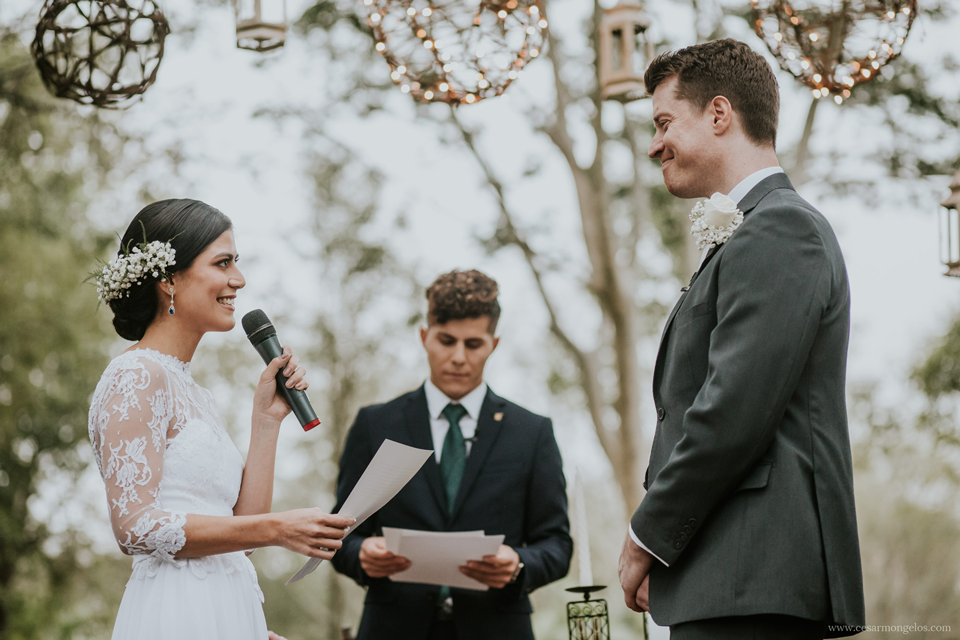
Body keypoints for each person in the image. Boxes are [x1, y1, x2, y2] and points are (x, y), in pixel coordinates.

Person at [617, 40, 865, 639]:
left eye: (664, 122)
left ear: (720, 115)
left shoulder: (782, 227)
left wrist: (648, 533)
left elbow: (732, 409)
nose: (654, 144)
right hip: (726, 579)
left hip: (757, 581)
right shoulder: (757, 230)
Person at [87, 199, 354, 639]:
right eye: (223, 263)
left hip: (228, 609)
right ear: (169, 280)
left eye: (237, 262)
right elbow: (134, 526)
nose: (239, 279)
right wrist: (277, 528)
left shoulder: (195, 394)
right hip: (176, 613)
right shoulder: (135, 376)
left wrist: (266, 422)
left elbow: (241, 539)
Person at [330, 270, 572, 640]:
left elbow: (557, 544)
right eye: (446, 341)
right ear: (425, 337)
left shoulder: (532, 433)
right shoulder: (375, 424)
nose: (459, 357)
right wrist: (361, 552)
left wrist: (519, 563)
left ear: (494, 343)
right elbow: (341, 535)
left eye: (473, 344)